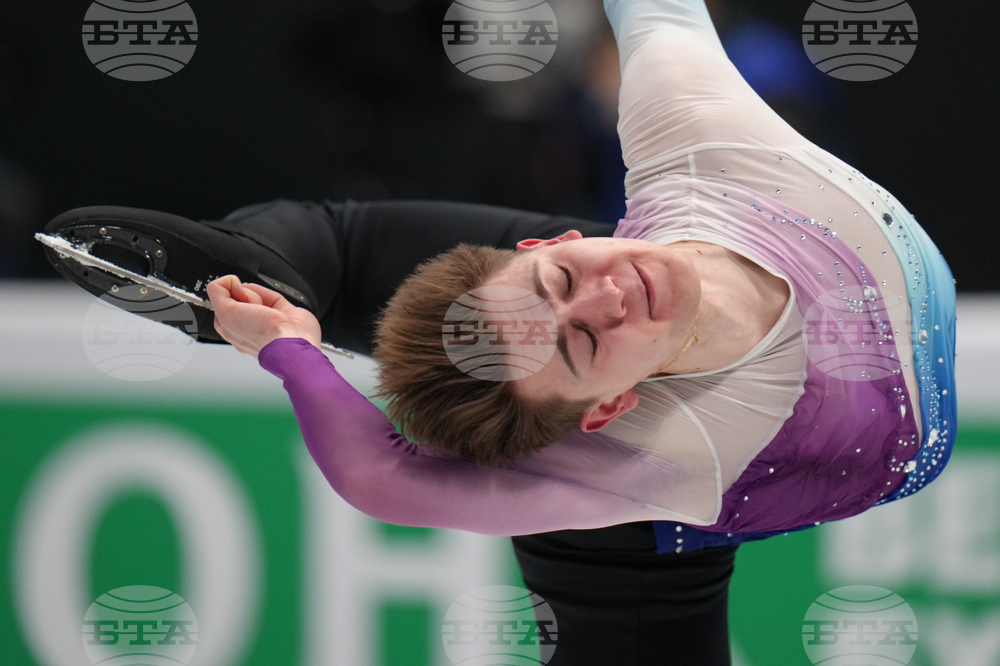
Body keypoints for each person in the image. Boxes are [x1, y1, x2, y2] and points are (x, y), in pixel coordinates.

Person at [41, 0, 956, 663]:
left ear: (553, 236)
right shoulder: (652, 459)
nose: (603, 300)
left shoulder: (693, 136)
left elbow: (657, 17)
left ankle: (251, 272)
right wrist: (288, 357)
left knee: (350, 244)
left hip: (648, 241)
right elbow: (376, 476)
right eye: (581, 345)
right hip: (650, 540)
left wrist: (278, 325)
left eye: (562, 275)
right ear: (611, 412)